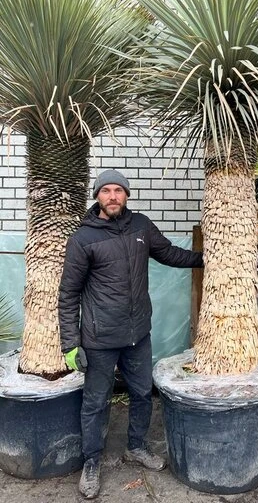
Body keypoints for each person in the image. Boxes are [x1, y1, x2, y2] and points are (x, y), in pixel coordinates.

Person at [58, 169, 203, 500]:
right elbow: (68, 294)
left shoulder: (141, 226)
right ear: (97, 196)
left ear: (126, 194)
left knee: (141, 393)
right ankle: (91, 462)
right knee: (96, 402)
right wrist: (70, 344)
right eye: (106, 190)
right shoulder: (83, 239)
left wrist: (207, 259)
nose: (112, 196)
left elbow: (170, 253)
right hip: (99, 339)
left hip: (138, 335)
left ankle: (136, 446)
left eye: (118, 190)